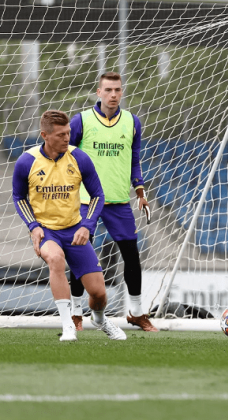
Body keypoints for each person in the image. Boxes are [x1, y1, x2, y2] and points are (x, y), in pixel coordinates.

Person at [12, 110, 126, 342]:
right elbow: (19, 197)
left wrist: (87, 226)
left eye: (69, 133)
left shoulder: (80, 158)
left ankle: (101, 319)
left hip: (75, 230)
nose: (67, 138)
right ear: (45, 135)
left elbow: (97, 195)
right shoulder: (27, 162)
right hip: (47, 231)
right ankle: (68, 326)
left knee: (98, 294)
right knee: (55, 259)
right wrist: (33, 225)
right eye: (62, 134)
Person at [68, 72, 157, 332]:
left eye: (117, 89)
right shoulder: (81, 120)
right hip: (87, 201)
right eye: (108, 90)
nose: (113, 94)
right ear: (98, 92)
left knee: (131, 255)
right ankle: (75, 314)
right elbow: (67, 156)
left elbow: (135, 158)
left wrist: (140, 190)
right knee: (78, 254)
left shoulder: (132, 122)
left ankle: (137, 313)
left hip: (119, 202)